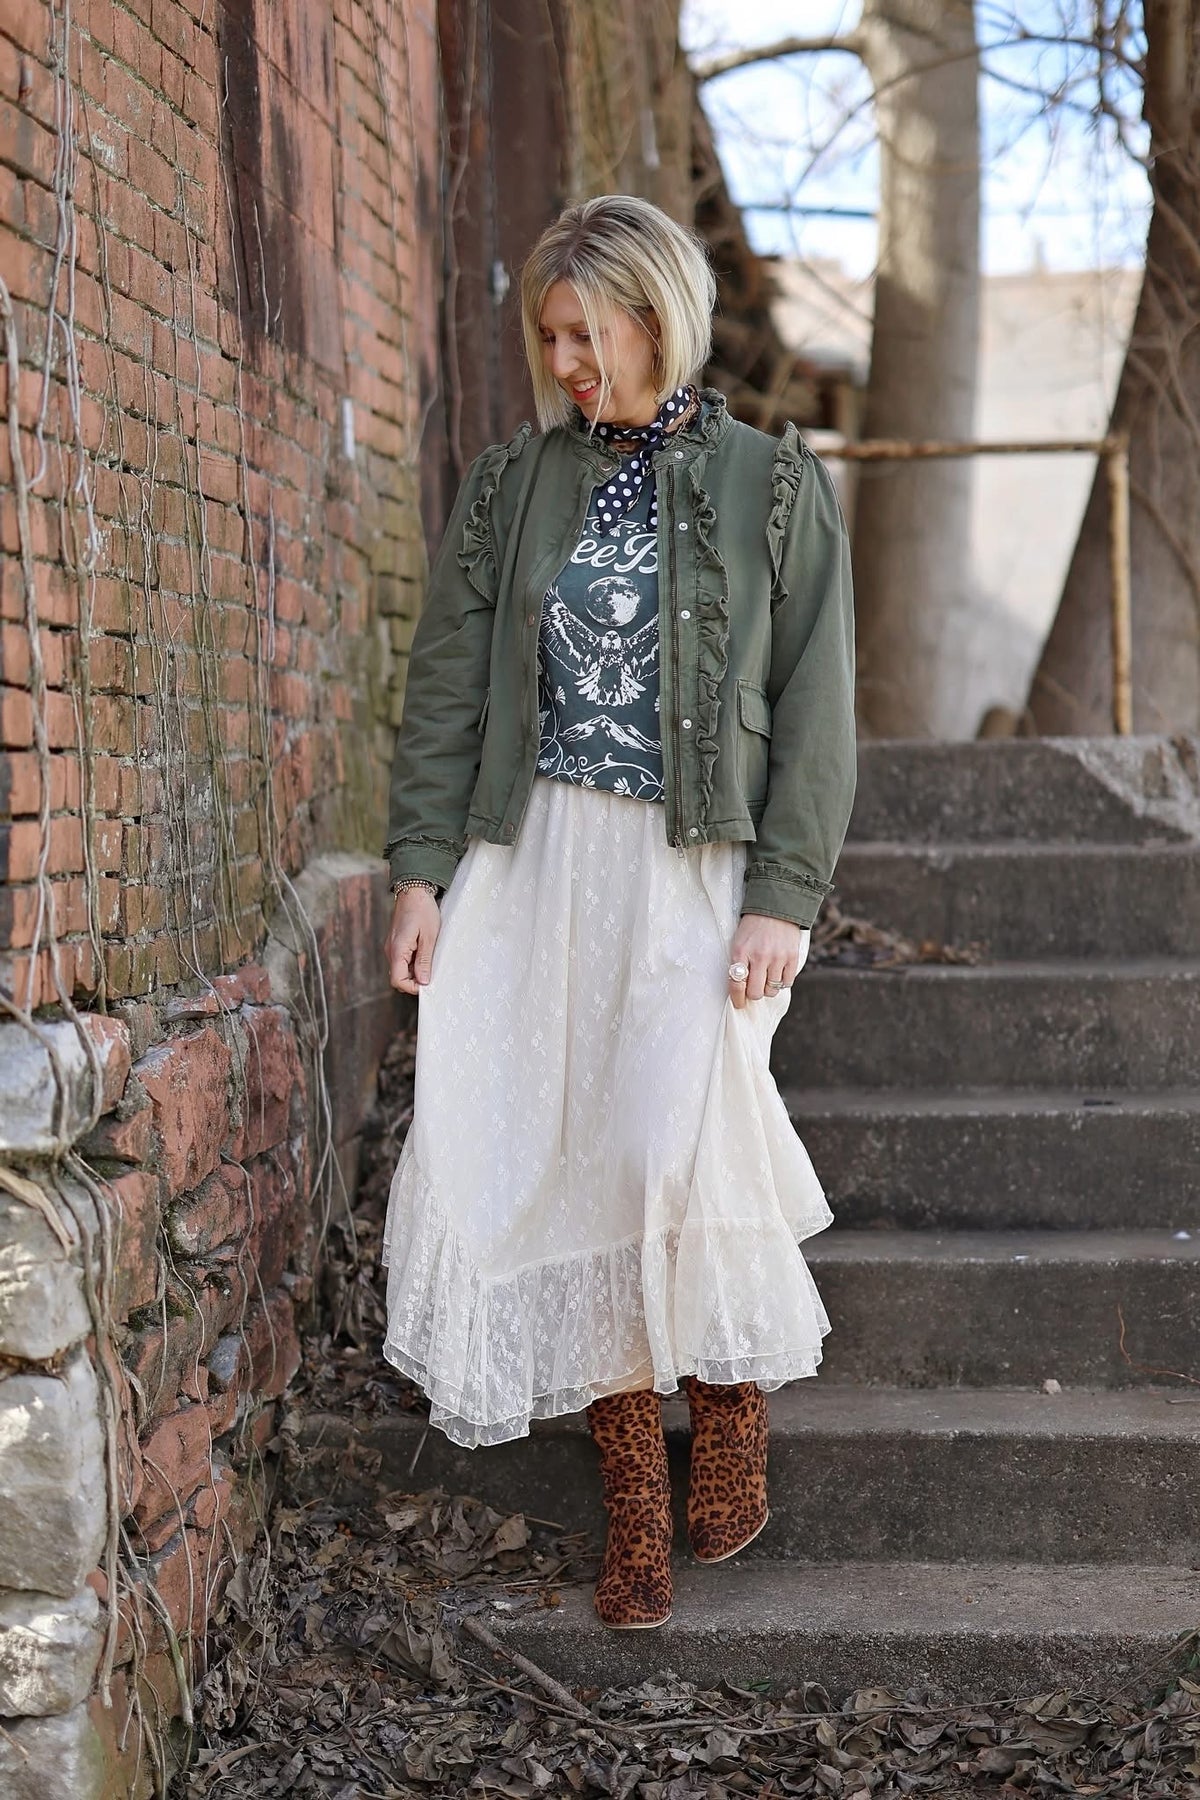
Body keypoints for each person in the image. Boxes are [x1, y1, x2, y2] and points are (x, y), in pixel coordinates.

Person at [380, 194, 856, 1631]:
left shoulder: (772, 486)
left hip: (691, 866)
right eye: (550, 337)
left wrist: (784, 897)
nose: (565, 363)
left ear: (659, 321)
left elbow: (818, 708)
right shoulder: (513, 485)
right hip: (535, 862)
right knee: (576, 1159)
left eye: (587, 333)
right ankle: (634, 1499)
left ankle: (731, 1400)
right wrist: (421, 871)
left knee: (668, 1144)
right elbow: (447, 688)